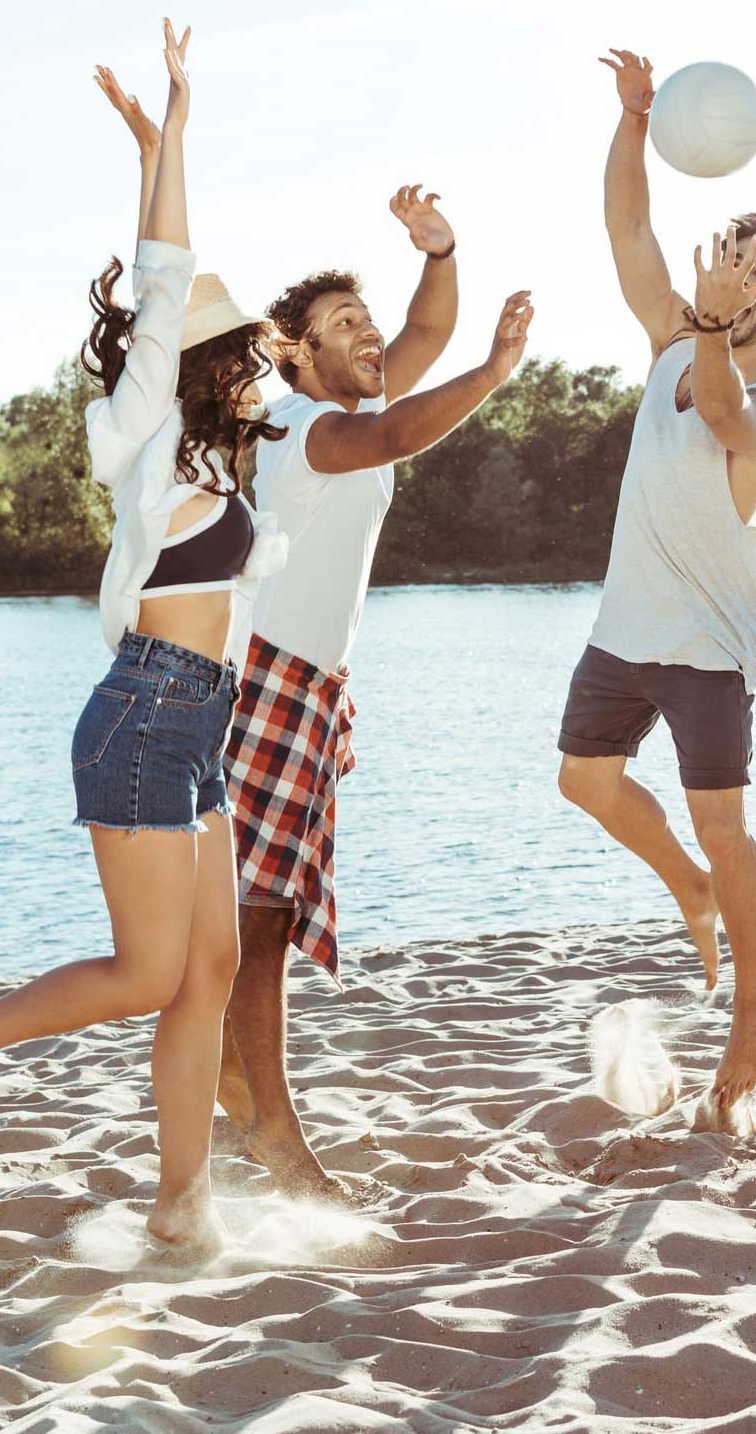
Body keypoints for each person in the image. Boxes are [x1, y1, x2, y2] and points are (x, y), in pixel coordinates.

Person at [0, 20, 287, 1260]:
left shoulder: (215, 469)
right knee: (148, 970)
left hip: (197, 724)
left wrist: (156, 146)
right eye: (247, 357)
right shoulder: (145, 435)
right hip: (145, 713)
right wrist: (169, 133)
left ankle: (182, 1200)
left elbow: (175, 280)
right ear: (201, 367)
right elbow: (164, 279)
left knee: (208, 968)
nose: (261, 371)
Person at [218, 191, 534, 1197]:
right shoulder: (303, 427)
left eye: (367, 319)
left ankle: (239, 1085)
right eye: (343, 324)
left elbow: (426, 334)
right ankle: (271, 1125)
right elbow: (398, 432)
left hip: (306, 684)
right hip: (267, 680)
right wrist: (493, 372)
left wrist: (441, 252)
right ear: (296, 354)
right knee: (257, 918)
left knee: (259, 915)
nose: (369, 335)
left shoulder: (342, 408)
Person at [557, 47, 756, 1121]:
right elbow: (626, 225)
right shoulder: (672, 337)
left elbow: (724, 409)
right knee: (584, 780)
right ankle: (688, 889)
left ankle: (752, 1003)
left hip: (706, 650)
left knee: (723, 825)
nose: (740, 276)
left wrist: (706, 326)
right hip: (624, 628)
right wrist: (632, 120)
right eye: (733, 257)